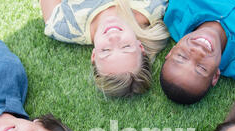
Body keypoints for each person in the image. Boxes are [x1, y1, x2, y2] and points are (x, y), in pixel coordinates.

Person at [40, 0, 170, 97]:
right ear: (140, 46)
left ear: (94, 56)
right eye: (126, 46)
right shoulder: (152, 6)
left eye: (106, 50)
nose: (113, 38)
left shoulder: (65, 26)